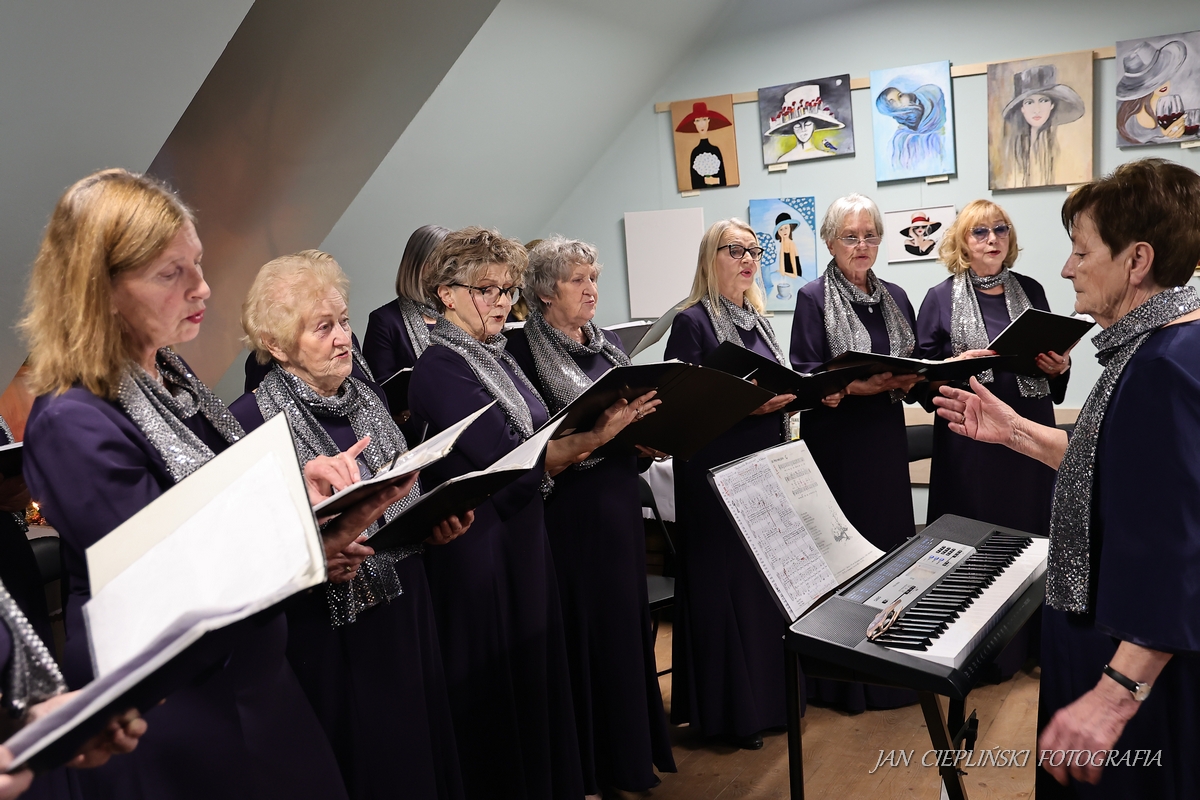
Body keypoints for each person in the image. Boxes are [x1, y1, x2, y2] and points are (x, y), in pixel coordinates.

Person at [19, 168, 401, 800]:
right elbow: (168, 582)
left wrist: (297, 490)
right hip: (179, 702)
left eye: (196, 264)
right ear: (100, 289)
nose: (203, 287)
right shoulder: (73, 420)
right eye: (172, 273)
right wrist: (304, 538)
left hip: (251, 672)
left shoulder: (171, 378)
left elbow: (216, 501)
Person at [934, 158, 1200, 797]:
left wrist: (1114, 695)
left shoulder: (1162, 367)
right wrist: (1016, 431)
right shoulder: (1161, 344)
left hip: (1128, 665)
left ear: (1136, 261)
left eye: (1081, 252)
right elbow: (1115, 461)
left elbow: (1179, 549)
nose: (1066, 268)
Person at [408, 227, 650, 799]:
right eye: (485, 290)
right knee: (498, 690)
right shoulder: (440, 366)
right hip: (478, 543)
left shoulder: (495, 355)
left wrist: (598, 437)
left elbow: (535, 442)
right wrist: (598, 436)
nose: (499, 303)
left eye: (506, 290)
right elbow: (510, 459)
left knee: (533, 676)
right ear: (446, 294)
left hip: (521, 531)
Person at [231, 250, 472, 800]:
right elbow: (254, 546)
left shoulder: (366, 397)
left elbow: (399, 491)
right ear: (275, 344)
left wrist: (432, 522)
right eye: (323, 328)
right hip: (329, 630)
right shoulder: (249, 421)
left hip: (406, 603)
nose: (344, 338)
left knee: (415, 753)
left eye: (343, 321)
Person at [505, 236, 674, 794]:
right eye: (578, 280)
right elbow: (535, 439)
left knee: (626, 629)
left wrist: (647, 437)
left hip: (619, 500)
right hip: (571, 510)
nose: (591, 289)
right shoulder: (521, 352)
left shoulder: (607, 344)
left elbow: (629, 415)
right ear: (545, 291)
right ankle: (595, 763)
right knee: (586, 632)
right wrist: (602, 435)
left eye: (593, 278)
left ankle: (632, 755)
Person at [663, 219, 805, 749]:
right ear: (711, 257)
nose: (748, 259)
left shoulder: (759, 321)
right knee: (726, 590)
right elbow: (682, 408)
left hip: (763, 468)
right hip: (714, 476)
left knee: (761, 589)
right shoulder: (692, 322)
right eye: (735, 250)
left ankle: (771, 704)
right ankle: (732, 716)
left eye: (754, 250)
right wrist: (748, 406)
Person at [789, 194, 920, 712]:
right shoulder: (812, 297)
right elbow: (805, 375)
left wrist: (912, 378)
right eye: (850, 236)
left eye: (870, 235)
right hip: (838, 445)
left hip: (885, 438)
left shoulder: (897, 296)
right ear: (829, 242)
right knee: (847, 556)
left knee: (892, 551)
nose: (861, 245)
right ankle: (846, 680)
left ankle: (893, 669)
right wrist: (852, 386)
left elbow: (913, 363)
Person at [917, 200, 1071, 538]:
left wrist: (1059, 366)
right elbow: (920, 379)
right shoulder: (939, 297)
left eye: (1001, 229)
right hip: (971, 433)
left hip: (1030, 424)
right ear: (962, 242)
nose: (993, 239)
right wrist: (954, 366)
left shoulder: (1031, 290)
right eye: (980, 231)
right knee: (973, 532)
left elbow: (1051, 354)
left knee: (1032, 525)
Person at [362, 224, 449, 382]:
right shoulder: (384, 321)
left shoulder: (462, 315)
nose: (449, 271)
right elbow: (382, 389)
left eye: (453, 263)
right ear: (418, 265)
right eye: (441, 262)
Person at [1001, 65, 1085, 188]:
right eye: (1029, 102)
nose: (1037, 110)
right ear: (1022, 108)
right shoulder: (1011, 150)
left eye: (1043, 101)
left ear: (1052, 105)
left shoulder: (1065, 147)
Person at [1116, 39, 1189, 146]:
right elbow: (1136, 133)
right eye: (1154, 80)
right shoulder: (1130, 118)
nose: (1162, 84)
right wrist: (1162, 132)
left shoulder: (1168, 105)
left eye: (1162, 75)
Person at [675, 102, 730, 189]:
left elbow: (723, 180)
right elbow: (694, 183)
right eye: (698, 120)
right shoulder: (695, 152)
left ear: (708, 121)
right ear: (694, 123)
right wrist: (704, 181)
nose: (701, 124)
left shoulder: (715, 150)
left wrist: (715, 180)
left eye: (704, 119)